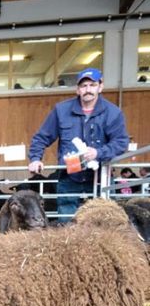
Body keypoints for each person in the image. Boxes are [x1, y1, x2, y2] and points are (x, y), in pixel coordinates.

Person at [28, 67, 129, 222]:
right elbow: (42, 136)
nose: (88, 90)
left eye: (92, 85)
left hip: (100, 178)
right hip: (70, 178)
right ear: (77, 89)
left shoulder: (113, 113)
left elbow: (121, 142)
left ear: (100, 87)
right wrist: (35, 158)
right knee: (67, 223)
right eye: (83, 86)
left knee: (104, 223)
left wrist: (98, 153)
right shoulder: (61, 111)